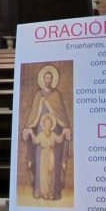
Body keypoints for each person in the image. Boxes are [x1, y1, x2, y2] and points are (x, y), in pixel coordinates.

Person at [21, 65, 72, 201]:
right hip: (40, 129)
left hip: (54, 129)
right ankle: (39, 189)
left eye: (50, 77)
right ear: (43, 79)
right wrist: (29, 128)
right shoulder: (39, 94)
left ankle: (53, 191)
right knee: (40, 163)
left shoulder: (56, 95)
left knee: (54, 163)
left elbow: (61, 113)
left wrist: (65, 128)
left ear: (52, 79)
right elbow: (33, 114)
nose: (48, 79)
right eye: (46, 77)